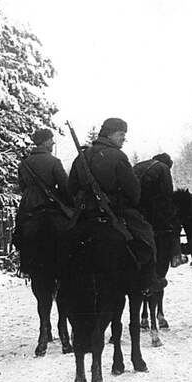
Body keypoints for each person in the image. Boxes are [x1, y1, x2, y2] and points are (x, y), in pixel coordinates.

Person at [67, 118, 157, 287]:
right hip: (115, 212)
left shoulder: (81, 156)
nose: (124, 138)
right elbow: (134, 192)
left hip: (85, 215)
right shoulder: (117, 156)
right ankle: (149, 282)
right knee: (146, 233)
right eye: (121, 134)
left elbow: (71, 187)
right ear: (109, 134)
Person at [15, 127, 71, 276]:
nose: (53, 143)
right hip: (50, 204)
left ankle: (24, 265)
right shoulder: (54, 161)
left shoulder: (24, 163)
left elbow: (22, 186)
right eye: (51, 140)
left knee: (20, 232)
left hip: (28, 206)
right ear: (45, 142)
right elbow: (65, 187)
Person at [134, 152, 177, 328]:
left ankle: (142, 316)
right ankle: (177, 255)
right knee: (160, 271)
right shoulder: (163, 169)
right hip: (155, 221)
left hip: (135, 217)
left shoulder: (138, 167)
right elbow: (167, 197)